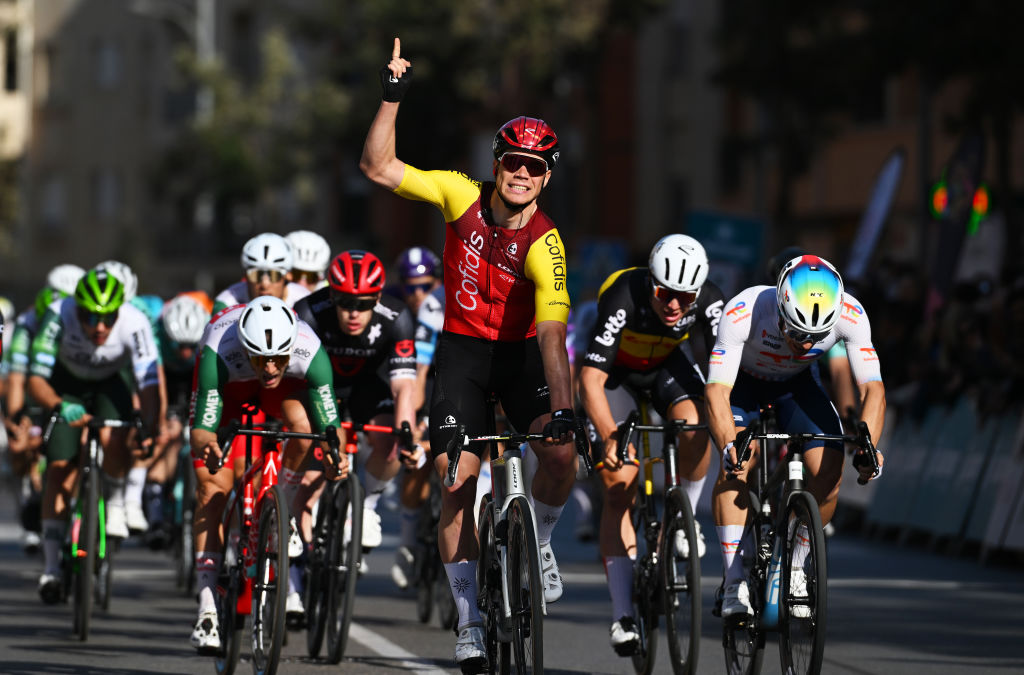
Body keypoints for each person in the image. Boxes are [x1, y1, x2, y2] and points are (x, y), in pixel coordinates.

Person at [360, 37, 577, 671]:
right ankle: (471, 618)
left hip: (520, 359)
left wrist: (562, 411)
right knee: (457, 479)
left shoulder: (547, 244)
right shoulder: (459, 194)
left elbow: (552, 337)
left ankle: (538, 538)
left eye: (535, 166)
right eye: (513, 160)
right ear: (498, 160)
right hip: (461, 354)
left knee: (559, 455)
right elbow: (378, 167)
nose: (521, 173)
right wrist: (392, 94)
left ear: (547, 174)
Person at [706, 254, 886, 618]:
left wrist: (869, 448)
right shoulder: (743, 310)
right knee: (739, 465)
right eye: (795, 332)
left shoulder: (851, 313)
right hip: (743, 384)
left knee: (830, 472)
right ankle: (733, 579)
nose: (805, 344)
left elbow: (873, 390)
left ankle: (797, 565)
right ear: (780, 306)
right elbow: (716, 392)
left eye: (816, 337)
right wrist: (729, 444)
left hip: (796, 386)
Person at [579, 234, 724, 654]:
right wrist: (609, 436)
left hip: (664, 366)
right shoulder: (624, 293)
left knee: (698, 423)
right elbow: (590, 380)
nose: (675, 305)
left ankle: (686, 515)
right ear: (651, 283)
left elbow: (721, 373)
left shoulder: (711, 299)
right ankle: (623, 614)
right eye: (664, 293)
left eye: (685, 296)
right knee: (620, 484)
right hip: (615, 374)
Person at [187, 295, 346, 653]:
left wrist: (338, 454)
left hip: (282, 395)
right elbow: (201, 429)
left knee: (303, 426)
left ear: (292, 347)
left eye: (279, 358)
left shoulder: (308, 348)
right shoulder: (218, 348)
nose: (271, 367)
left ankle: (282, 512)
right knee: (212, 490)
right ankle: (208, 607)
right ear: (246, 347)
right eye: (262, 358)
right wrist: (209, 446)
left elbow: (330, 424)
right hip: (229, 387)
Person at [290, 249, 421, 621]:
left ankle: (368, 506)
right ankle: (296, 569)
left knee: (391, 441)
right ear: (331, 295)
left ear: (378, 298)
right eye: (344, 302)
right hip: (319, 386)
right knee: (313, 474)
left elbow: (404, 388)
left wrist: (407, 434)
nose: (352, 313)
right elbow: (297, 381)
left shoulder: (397, 318)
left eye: (362, 304)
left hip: (368, 387)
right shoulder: (308, 313)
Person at [28, 268, 161, 603]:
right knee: (59, 469)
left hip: (110, 383)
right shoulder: (59, 315)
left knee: (118, 437)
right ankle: (50, 568)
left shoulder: (135, 322)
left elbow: (148, 383)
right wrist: (59, 404)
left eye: (107, 317)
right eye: (89, 316)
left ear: (120, 310)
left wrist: (149, 426)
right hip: (66, 386)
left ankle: (115, 500)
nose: (99, 326)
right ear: (77, 309)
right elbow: (35, 380)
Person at [3, 264, 85, 553]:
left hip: (71, 387)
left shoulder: (83, 318)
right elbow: (17, 378)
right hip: (36, 388)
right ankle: (32, 493)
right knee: (21, 445)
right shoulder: (27, 324)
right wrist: (16, 420)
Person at [388, 246, 443, 588]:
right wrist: (418, 421)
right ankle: (408, 541)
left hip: (452, 374)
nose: (417, 294)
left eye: (424, 285)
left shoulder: (447, 298)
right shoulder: (396, 305)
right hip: (414, 376)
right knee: (418, 460)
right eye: (410, 287)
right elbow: (418, 374)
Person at [212, 232, 311, 313]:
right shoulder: (226, 303)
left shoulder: (305, 301)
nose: (264, 284)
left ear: (288, 276)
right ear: (246, 275)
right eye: (256, 275)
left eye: (274, 275)